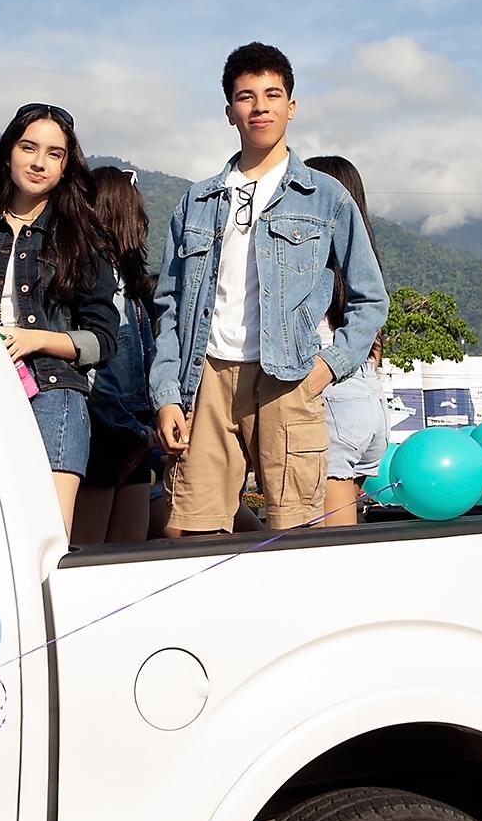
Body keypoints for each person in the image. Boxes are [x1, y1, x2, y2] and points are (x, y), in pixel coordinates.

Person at [148, 42, 388, 533]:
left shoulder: (325, 196)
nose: (260, 107)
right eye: (246, 96)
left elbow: (371, 298)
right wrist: (167, 393)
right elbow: (168, 305)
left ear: (291, 106)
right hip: (206, 376)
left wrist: (327, 367)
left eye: (272, 94)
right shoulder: (196, 201)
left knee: (295, 529)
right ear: (230, 111)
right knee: (192, 529)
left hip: (288, 377)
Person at [0, 104, 118, 538]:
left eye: (54, 154)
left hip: (54, 392)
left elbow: (103, 340)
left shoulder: (83, 238)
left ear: (66, 167)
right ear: (8, 153)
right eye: (28, 148)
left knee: (47, 535)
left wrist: (36, 339)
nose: (39, 162)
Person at [72, 167, 158, 544]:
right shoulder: (100, 282)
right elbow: (100, 374)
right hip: (108, 429)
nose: (142, 218)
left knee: (124, 550)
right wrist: (139, 431)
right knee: (94, 548)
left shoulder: (128, 284)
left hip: (130, 430)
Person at [304, 155, 390, 527]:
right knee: (330, 528)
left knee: (330, 537)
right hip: (367, 398)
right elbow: (373, 344)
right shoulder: (362, 267)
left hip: (332, 398)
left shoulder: (313, 264)